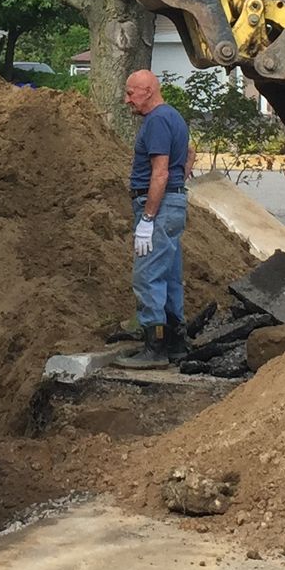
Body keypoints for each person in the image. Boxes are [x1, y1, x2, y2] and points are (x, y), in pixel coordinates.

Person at [125, 68, 190, 365]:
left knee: (147, 274)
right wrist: (179, 188)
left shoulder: (157, 120)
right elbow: (190, 153)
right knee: (169, 274)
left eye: (130, 93)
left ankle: (154, 349)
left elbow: (159, 172)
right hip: (173, 203)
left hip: (158, 206)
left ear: (148, 91)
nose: (127, 100)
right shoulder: (173, 117)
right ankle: (177, 343)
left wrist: (148, 219)